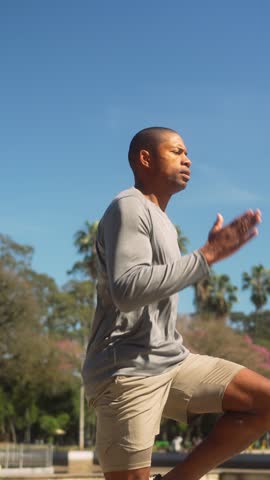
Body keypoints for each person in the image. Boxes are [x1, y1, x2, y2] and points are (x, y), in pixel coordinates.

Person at [82, 127, 269, 480]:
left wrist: (206, 256)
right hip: (127, 370)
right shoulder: (129, 207)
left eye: (187, 153)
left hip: (173, 360)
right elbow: (126, 290)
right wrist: (207, 256)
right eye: (177, 151)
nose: (188, 159)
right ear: (145, 158)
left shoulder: (163, 221)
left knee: (264, 401)